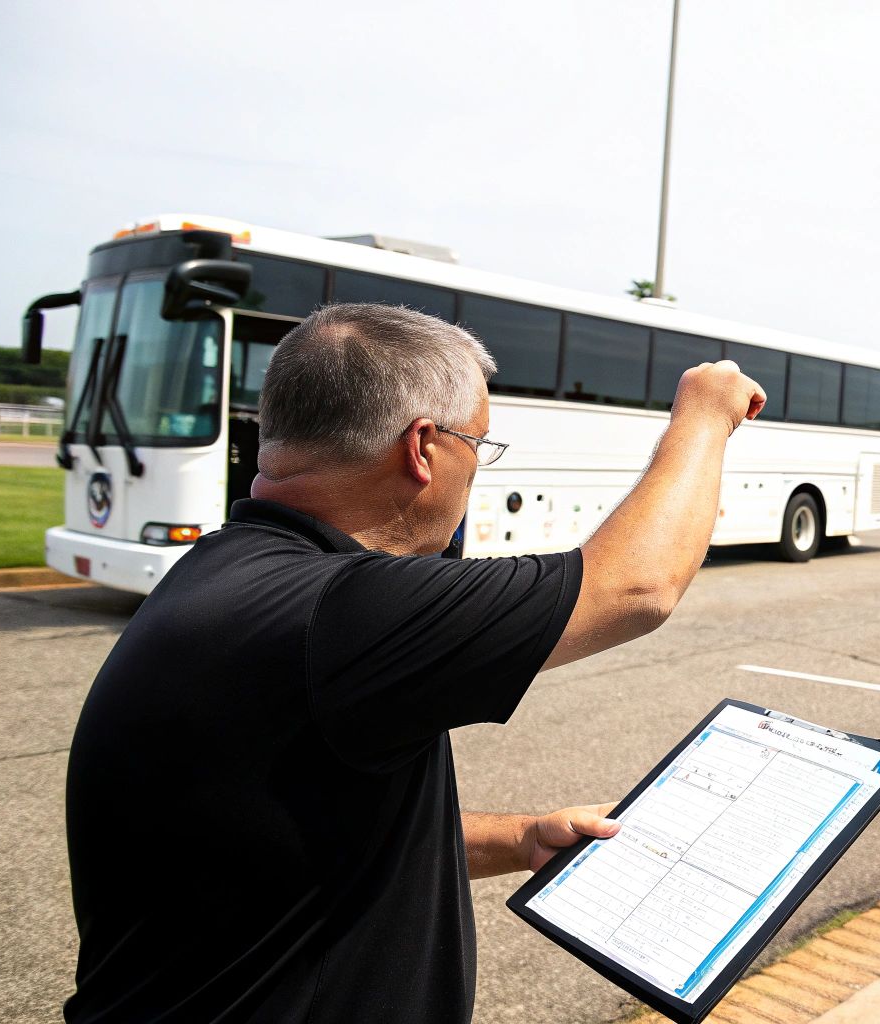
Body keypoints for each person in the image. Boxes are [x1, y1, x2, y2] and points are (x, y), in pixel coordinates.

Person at [62, 303, 765, 1022]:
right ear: (423, 448)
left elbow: (308, 827)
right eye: (479, 447)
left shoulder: (225, 572)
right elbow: (636, 585)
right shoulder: (342, 610)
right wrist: (705, 417)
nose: (475, 477)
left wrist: (521, 838)